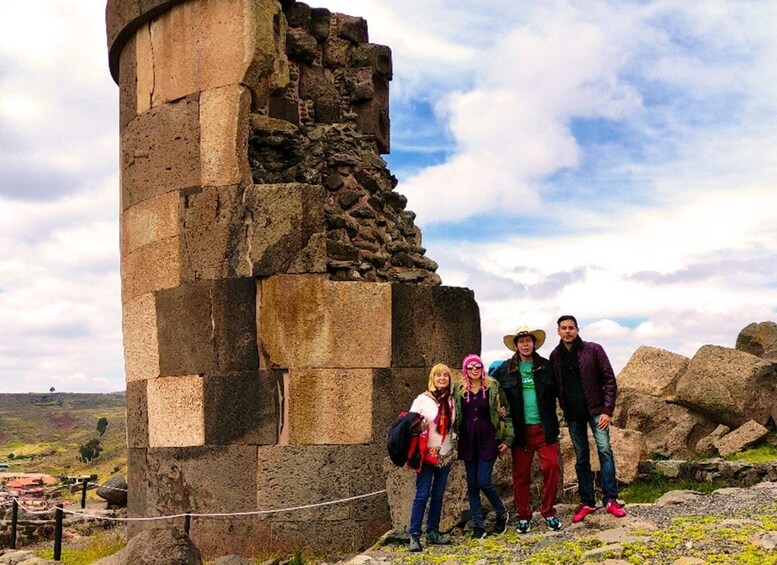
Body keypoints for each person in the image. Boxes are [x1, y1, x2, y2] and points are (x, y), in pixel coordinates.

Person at [548, 315, 627, 522]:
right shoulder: (555, 356)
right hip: (573, 415)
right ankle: (587, 502)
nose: (567, 331)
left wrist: (607, 411)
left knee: (605, 451)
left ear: (577, 330)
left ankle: (610, 499)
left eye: (571, 328)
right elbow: (555, 387)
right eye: (563, 328)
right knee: (581, 457)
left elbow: (609, 380)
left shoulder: (594, 350)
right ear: (558, 331)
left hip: (596, 411)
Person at [491, 326, 562, 533]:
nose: (525, 344)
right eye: (521, 341)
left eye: (528, 340)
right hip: (521, 431)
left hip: (545, 428)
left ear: (534, 343)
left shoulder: (546, 367)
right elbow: (495, 394)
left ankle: (548, 511)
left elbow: (560, 392)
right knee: (521, 475)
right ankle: (523, 515)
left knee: (552, 467)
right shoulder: (505, 369)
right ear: (516, 345)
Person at [453, 353, 514, 539]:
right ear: (465, 370)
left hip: (488, 438)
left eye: (477, 367)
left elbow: (505, 413)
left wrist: (507, 439)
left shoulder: (493, 387)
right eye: (470, 367)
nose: (474, 370)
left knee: (483, 481)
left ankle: (501, 512)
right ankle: (478, 524)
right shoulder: (459, 389)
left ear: (482, 368)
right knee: (472, 485)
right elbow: (452, 411)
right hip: (467, 440)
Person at [407, 363, 457, 552]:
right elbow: (409, 424)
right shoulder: (422, 400)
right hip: (427, 454)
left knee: (438, 495)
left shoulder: (451, 401)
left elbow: (453, 425)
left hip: (445, 453)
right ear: (432, 378)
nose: (442, 378)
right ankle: (414, 534)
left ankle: (433, 531)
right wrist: (420, 426)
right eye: (438, 375)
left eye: (446, 375)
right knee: (422, 494)